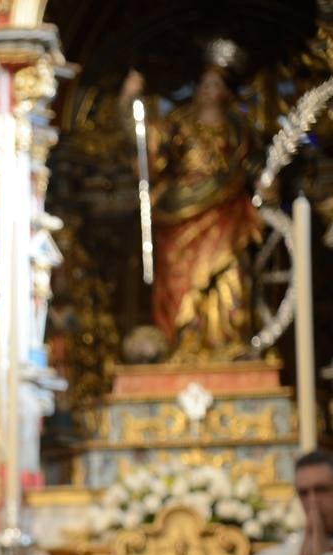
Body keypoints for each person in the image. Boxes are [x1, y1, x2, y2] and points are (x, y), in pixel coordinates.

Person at [120, 62, 261, 359]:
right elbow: (150, 153)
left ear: (227, 93)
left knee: (228, 273)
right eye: (205, 84)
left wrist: (265, 184)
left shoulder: (238, 128)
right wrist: (129, 103)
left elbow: (254, 166)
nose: (210, 91)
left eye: (216, 85)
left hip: (225, 209)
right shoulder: (179, 122)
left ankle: (226, 341)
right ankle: (181, 341)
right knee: (179, 276)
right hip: (180, 210)